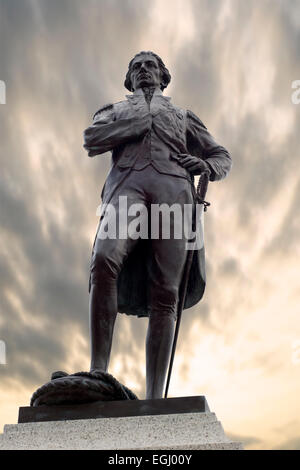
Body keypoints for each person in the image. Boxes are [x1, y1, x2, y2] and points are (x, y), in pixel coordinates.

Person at [83, 51, 232, 399]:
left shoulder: (183, 116)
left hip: (174, 191)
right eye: (136, 67)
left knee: (166, 290)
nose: (143, 71)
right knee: (104, 260)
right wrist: (134, 126)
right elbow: (92, 138)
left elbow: (221, 156)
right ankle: (97, 372)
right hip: (126, 189)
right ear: (128, 79)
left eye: (150, 66)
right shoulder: (113, 110)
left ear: (164, 77)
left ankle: (154, 399)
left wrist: (205, 165)